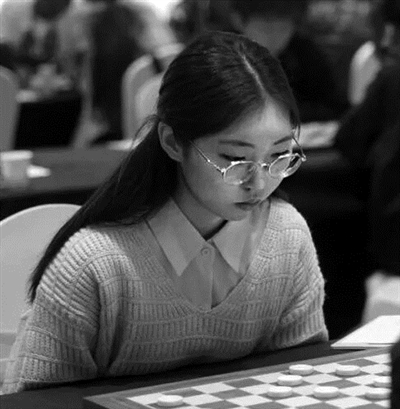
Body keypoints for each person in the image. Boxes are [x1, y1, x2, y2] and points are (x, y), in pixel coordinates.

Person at [2, 31, 328, 394]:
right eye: (235, 159)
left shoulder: (285, 237)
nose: (259, 182)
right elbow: (42, 401)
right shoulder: (95, 266)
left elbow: (303, 383)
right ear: (173, 142)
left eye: (279, 156)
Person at [229, 0, 349, 123]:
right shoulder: (221, 58)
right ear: (238, 21)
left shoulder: (303, 53)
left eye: (283, 28)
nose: (274, 37)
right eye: (266, 29)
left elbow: (336, 106)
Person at [0, 0, 88, 89]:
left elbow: (79, 52)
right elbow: (7, 47)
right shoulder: (11, 9)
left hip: (54, 75)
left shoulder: (76, 15)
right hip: (16, 71)